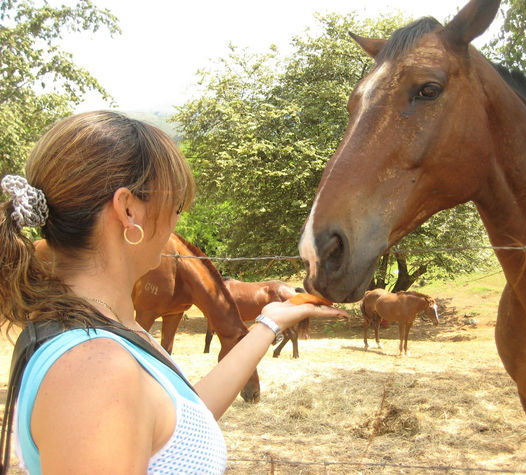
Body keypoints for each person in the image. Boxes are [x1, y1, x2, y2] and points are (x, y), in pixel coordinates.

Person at [0, 111, 347, 474]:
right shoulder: (97, 371)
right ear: (128, 210)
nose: (176, 221)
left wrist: (268, 324)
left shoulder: (102, 330)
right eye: (176, 206)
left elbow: (179, 420)